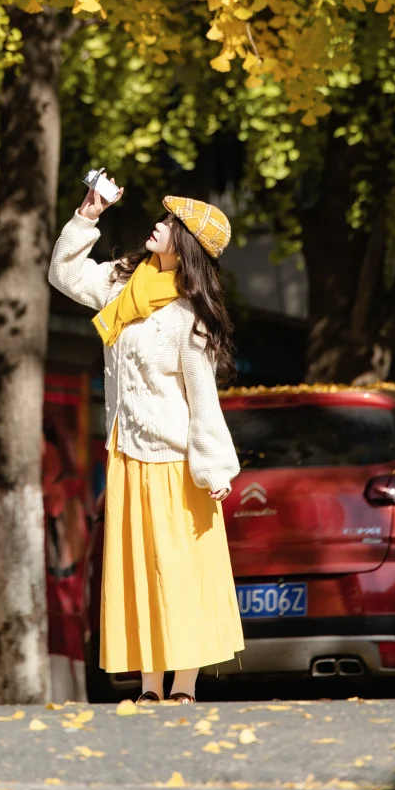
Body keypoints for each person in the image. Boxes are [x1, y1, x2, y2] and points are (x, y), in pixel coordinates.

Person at [49, 175, 244, 704]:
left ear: (186, 245)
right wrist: (88, 212)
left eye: (168, 224)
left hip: (175, 462)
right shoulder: (123, 283)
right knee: (137, 572)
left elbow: (203, 401)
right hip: (126, 453)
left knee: (177, 572)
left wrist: (214, 470)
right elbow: (63, 273)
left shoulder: (190, 318)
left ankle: (184, 685)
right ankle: (149, 686)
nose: (156, 226)